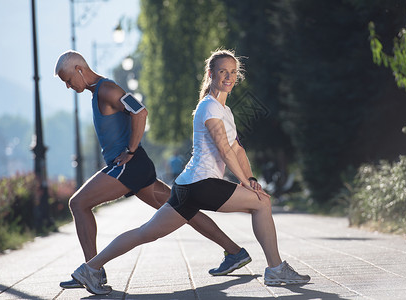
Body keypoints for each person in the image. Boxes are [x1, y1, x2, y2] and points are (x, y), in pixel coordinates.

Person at [69, 49, 310, 295]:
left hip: (188, 186)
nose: (228, 77)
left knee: (147, 232)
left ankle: (90, 268)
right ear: (211, 74)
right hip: (202, 184)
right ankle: (276, 268)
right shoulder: (209, 108)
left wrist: (250, 179)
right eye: (223, 72)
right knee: (262, 204)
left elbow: (237, 149)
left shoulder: (224, 110)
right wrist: (246, 186)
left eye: (233, 73)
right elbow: (225, 151)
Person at [53, 50, 252, 290]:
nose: (68, 86)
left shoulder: (107, 89)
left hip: (129, 166)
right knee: (183, 207)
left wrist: (131, 149)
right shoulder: (98, 92)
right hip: (135, 168)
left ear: (78, 70)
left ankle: (92, 271)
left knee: (78, 203)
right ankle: (234, 252)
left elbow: (140, 111)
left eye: (67, 80)